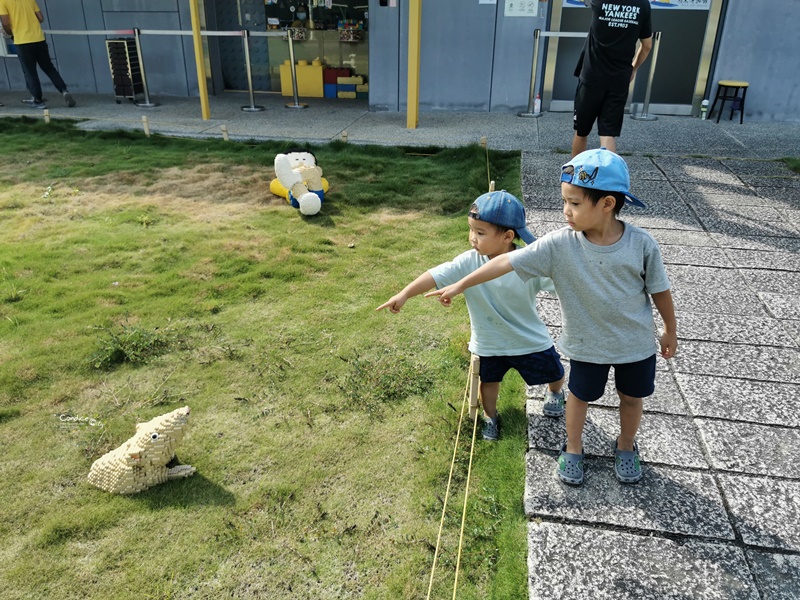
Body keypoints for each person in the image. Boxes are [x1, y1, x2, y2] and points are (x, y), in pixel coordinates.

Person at [427, 149, 677, 485]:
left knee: (632, 398)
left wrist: (669, 329)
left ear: (606, 204)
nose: (565, 211)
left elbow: (659, 290)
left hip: (635, 345)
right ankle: (573, 448)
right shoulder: (560, 244)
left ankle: (626, 445)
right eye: (565, 201)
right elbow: (505, 262)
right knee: (579, 397)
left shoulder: (641, 245)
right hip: (587, 345)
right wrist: (460, 284)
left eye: (574, 203)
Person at [376, 190, 566, 441]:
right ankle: (490, 417)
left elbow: (561, 282)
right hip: (489, 341)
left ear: (508, 236)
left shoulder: (527, 262)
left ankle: (554, 393)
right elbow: (435, 274)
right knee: (488, 382)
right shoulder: (469, 261)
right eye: (471, 230)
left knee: (554, 372)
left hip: (528, 339)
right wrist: (404, 294)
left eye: (480, 232)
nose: (472, 238)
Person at [571, 0, 652, 157]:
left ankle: (574, 176)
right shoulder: (642, 4)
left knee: (581, 132)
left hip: (591, 77)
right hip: (619, 79)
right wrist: (633, 69)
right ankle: (608, 179)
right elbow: (647, 45)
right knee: (608, 133)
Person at [0, 0, 76, 110]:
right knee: (49, 67)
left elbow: (6, 23)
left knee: (30, 72)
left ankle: (38, 100)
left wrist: (11, 32)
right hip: (39, 39)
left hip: (22, 41)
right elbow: (41, 18)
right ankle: (64, 90)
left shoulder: (3, 1)